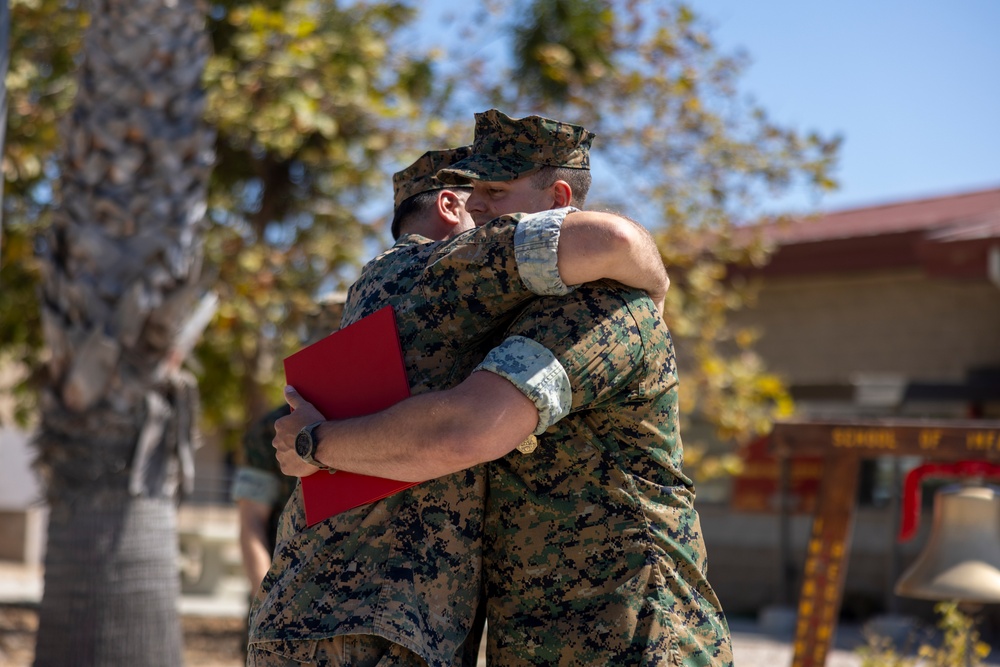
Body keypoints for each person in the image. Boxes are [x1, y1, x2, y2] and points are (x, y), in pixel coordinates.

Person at [272, 109, 734, 666]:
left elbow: (468, 427)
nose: (477, 205)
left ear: (559, 197)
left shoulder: (600, 308)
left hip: (633, 637)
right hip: (547, 639)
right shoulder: (498, 312)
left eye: (493, 189)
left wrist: (315, 444)